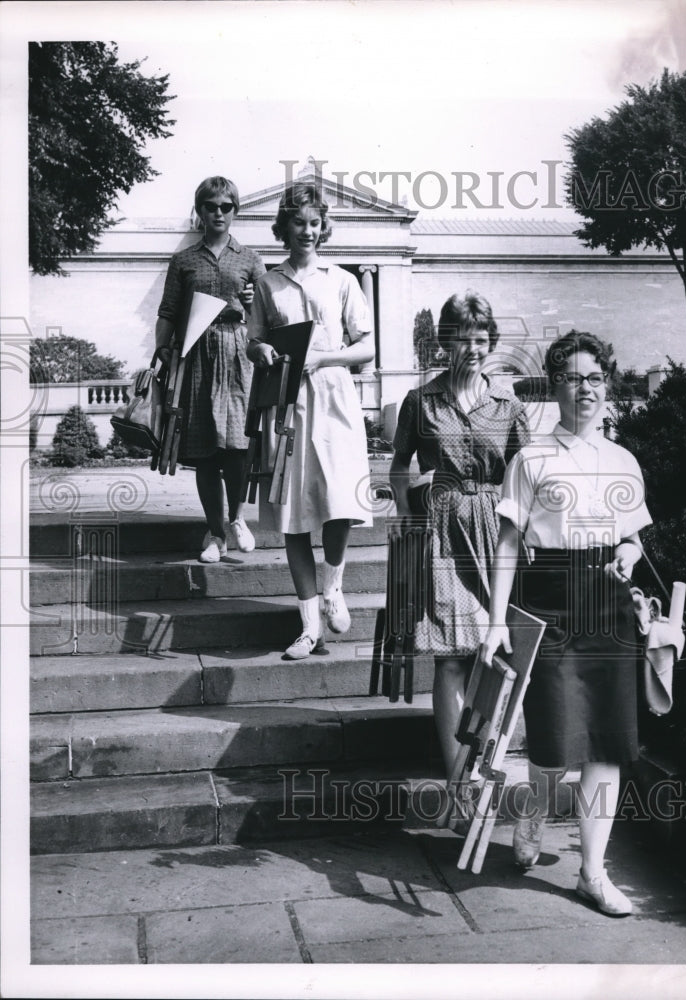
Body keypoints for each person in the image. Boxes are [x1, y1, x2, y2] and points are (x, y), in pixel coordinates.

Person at [481, 330, 652, 917]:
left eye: (595, 378)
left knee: (606, 741)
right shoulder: (531, 459)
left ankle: (592, 873)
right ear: (554, 386)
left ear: (608, 385)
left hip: (608, 607)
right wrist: (496, 621)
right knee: (554, 738)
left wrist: (627, 552)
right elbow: (507, 542)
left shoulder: (622, 460)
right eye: (574, 378)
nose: (586, 389)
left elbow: (632, 538)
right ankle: (534, 807)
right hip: (549, 603)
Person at [390, 292, 530, 785]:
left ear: (490, 342)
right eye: (461, 339)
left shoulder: (508, 405)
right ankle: (457, 778)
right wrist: (407, 515)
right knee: (450, 656)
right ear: (445, 343)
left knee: (492, 653)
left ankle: (482, 763)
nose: (471, 349)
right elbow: (398, 467)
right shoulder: (420, 401)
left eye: (480, 339)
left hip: (496, 531)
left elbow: (526, 473)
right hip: (443, 533)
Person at [246, 182, 375, 659]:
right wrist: (260, 349)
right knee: (293, 514)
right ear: (285, 227)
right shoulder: (268, 283)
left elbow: (367, 346)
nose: (307, 230)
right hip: (287, 403)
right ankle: (308, 626)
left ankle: (333, 587)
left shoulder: (341, 280)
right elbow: (253, 340)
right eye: (298, 222)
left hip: (334, 399)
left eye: (315, 223)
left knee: (340, 501)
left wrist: (323, 358)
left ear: (324, 228)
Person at [155, 176, 266, 563]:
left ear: (236, 211)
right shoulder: (183, 260)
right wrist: (162, 350)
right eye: (210, 206)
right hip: (197, 353)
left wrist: (252, 302)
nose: (218, 213)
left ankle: (237, 519)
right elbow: (168, 312)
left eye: (226, 206)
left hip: (237, 355)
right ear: (199, 210)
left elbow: (266, 317)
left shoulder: (250, 259)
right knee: (204, 452)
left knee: (237, 447)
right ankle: (215, 533)